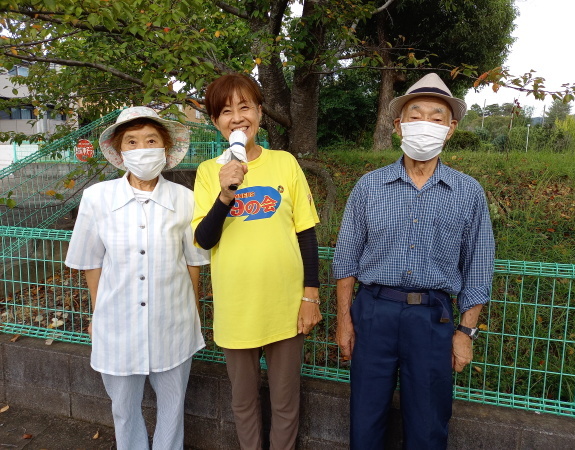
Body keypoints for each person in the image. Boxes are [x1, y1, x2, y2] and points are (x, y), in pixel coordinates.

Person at [332, 73, 495, 449]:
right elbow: (345, 261)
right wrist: (345, 322)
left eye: (436, 118)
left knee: (428, 424)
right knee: (366, 419)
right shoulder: (369, 186)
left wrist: (466, 332)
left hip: (433, 319)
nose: (425, 124)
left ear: (450, 129)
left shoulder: (468, 192)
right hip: (373, 313)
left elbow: (479, 266)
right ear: (398, 126)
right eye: (415, 115)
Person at [65, 106, 209, 450]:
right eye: (132, 141)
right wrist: (98, 312)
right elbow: (91, 262)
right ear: (119, 150)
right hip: (116, 324)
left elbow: (193, 263)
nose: (141, 147)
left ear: (165, 148)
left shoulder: (186, 200)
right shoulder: (97, 198)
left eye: (150, 140)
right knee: (124, 408)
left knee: (173, 406)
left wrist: (193, 313)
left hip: (173, 323)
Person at [191, 73, 321, 450]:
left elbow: (306, 234)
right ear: (216, 122)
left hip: (285, 307)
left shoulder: (285, 163)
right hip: (237, 308)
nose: (237, 117)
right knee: (243, 401)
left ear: (259, 113)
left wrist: (309, 296)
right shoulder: (206, 173)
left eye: (245, 106)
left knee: (285, 401)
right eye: (226, 111)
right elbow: (203, 239)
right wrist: (224, 193)